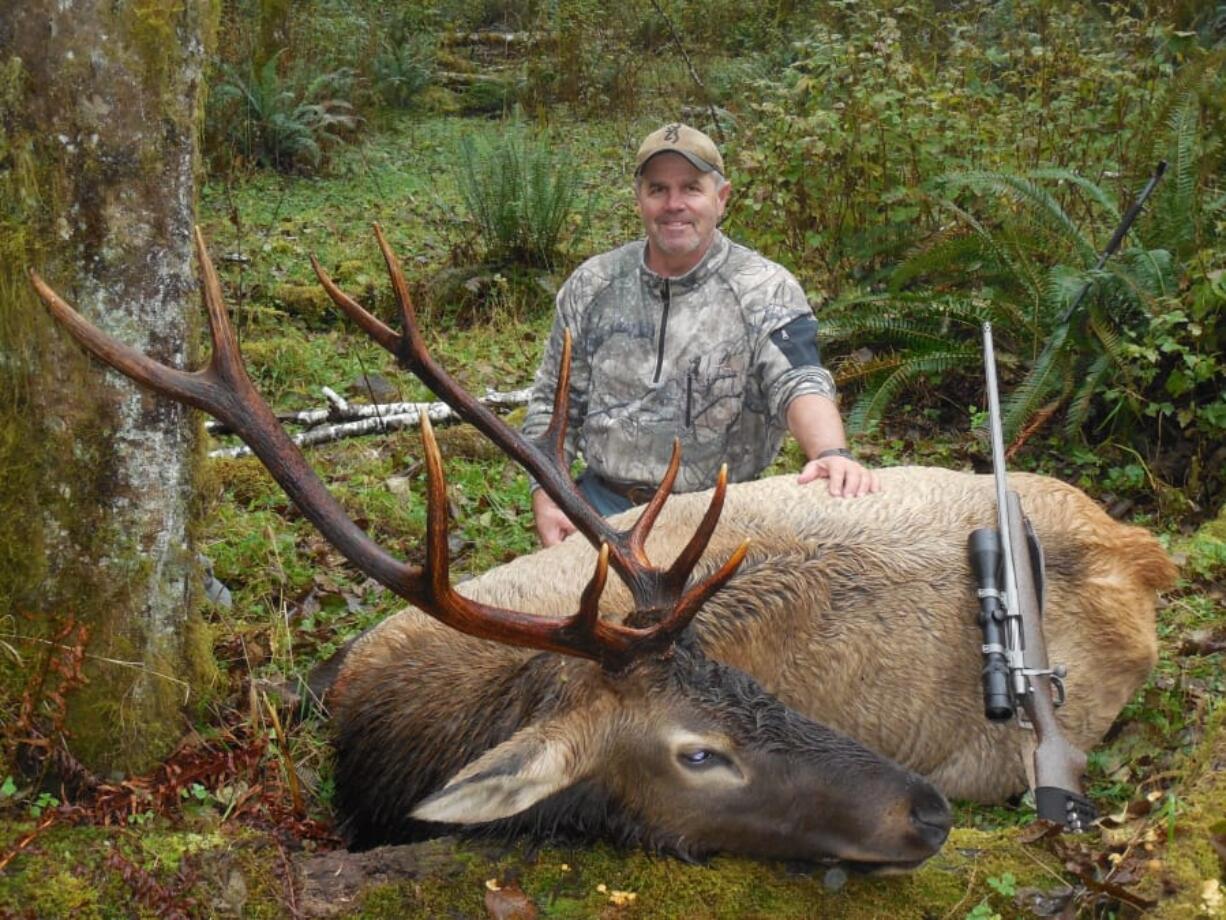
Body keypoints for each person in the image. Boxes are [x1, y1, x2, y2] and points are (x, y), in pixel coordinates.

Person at [523, 123, 880, 546]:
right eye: (658, 189)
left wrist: (830, 454)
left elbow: (799, 380)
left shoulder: (764, 288)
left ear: (721, 198)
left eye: (691, 188)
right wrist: (547, 493)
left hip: (718, 516)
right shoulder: (592, 284)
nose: (674, 204)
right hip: (601, 509)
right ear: (639, 199)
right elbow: (553, 402)